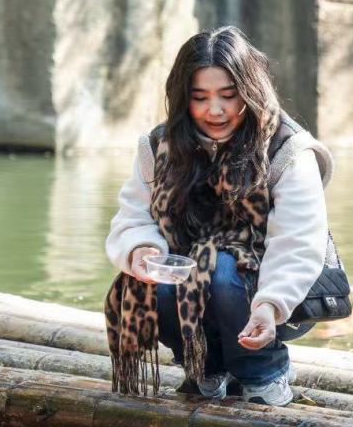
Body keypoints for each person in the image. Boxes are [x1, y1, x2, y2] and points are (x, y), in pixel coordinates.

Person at [104, 26, 332, 407]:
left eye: (228, 96)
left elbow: (298, 242)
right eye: (200, 98)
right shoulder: (159, 146)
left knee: (225, 269)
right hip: (190, 284)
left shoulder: (288, 149)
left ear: (250, 92)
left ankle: (265, 372)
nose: (215, 110)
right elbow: (132, 217)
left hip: (275, 291)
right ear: (182, 98)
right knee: (152, 280)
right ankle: (204, 367)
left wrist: (270, 305)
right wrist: (142, 251)